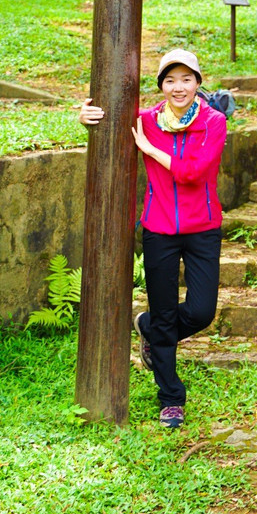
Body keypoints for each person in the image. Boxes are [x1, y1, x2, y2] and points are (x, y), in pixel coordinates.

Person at [80, 48, 227, 429]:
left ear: (198, 82)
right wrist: (86, 118)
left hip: (203, 229)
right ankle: (171, 398)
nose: (178, 87)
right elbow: (110, 120)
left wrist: (149, 149)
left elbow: (194, 173)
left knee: (200, 311)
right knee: (164, 312)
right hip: (159, 229)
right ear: (161, 85)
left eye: (186, 79)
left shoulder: (213, 122)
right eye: (170, 80)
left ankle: (149, 328)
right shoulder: (146, 119)